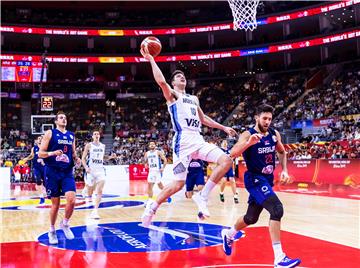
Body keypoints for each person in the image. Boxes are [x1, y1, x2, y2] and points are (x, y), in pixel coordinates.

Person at [140, 46, 237, 227]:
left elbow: (203, 118)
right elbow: (161, 82)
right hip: (182, 142)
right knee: (177, 185)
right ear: (173, 83)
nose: (181, 77)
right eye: (177, 76)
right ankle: (152, 206)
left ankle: (203, 196)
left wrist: (223, 127)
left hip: (198, 139)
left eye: (183, 75)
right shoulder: (173, 96)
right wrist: (151, 59)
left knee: (226, 160)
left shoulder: (194, 99)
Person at [221, 104, 301, 268]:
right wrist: (249, 143)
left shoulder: (273, 133)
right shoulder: (247, 134)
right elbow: (233, 153)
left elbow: (282, 151)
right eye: (264, 118)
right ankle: (279, 258)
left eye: (270, 119)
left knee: (251, 218)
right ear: (257, 118)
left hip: (267, 179)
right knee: (277, 209)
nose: (267, 121)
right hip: (254, 178)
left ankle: (228, 234)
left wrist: (284, 170)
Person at [39, 112, 81, 244]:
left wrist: (77, 159)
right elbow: (40, 153)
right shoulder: (50, 133)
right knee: (55, 205)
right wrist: (52, 153)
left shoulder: (71, 135)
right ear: (56, 121)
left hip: (67, 172)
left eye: (65, 118)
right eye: (61, 117)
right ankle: (52, 230)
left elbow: (73, 153)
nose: (64, 119)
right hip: (52, 172)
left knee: (72, 200)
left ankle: (65, 223)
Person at [81, 130, 117, 219]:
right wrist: (86, 167)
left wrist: (110, 157)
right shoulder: (89, 145)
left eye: (98, 134)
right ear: (92, 136)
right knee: (90, 191)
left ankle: (95, 211)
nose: (96, 135)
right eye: (95, 134)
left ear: (99, 136)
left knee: (100, 190)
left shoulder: (103, 146)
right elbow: (83, 158)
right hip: (91, 170)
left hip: (100, 170)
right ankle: (86, 187)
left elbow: (102, 157)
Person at [22, 135, 46, 204]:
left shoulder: (45, 148)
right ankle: (41, 198)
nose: (40, 140)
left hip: (44, 167)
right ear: (37, 140)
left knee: (46, 183)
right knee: (38, 181)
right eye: (38, 138)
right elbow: (31, 156)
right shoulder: (34, 148)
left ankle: (49, 193)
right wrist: (26, 158)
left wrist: (43, 161)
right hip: (36, 167)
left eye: (41, 139)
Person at [219, 140, 239, 204]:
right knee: (224, 180)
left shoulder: (229, 151)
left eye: (226, 142)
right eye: (223, 142)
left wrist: (233, 170)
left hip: (229, 167)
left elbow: (232, 161)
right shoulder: (220, 150)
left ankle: (235, 196)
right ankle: (221, 193)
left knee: (232, 180)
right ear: (221, 144)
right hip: (222, 167)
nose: (225, 143)